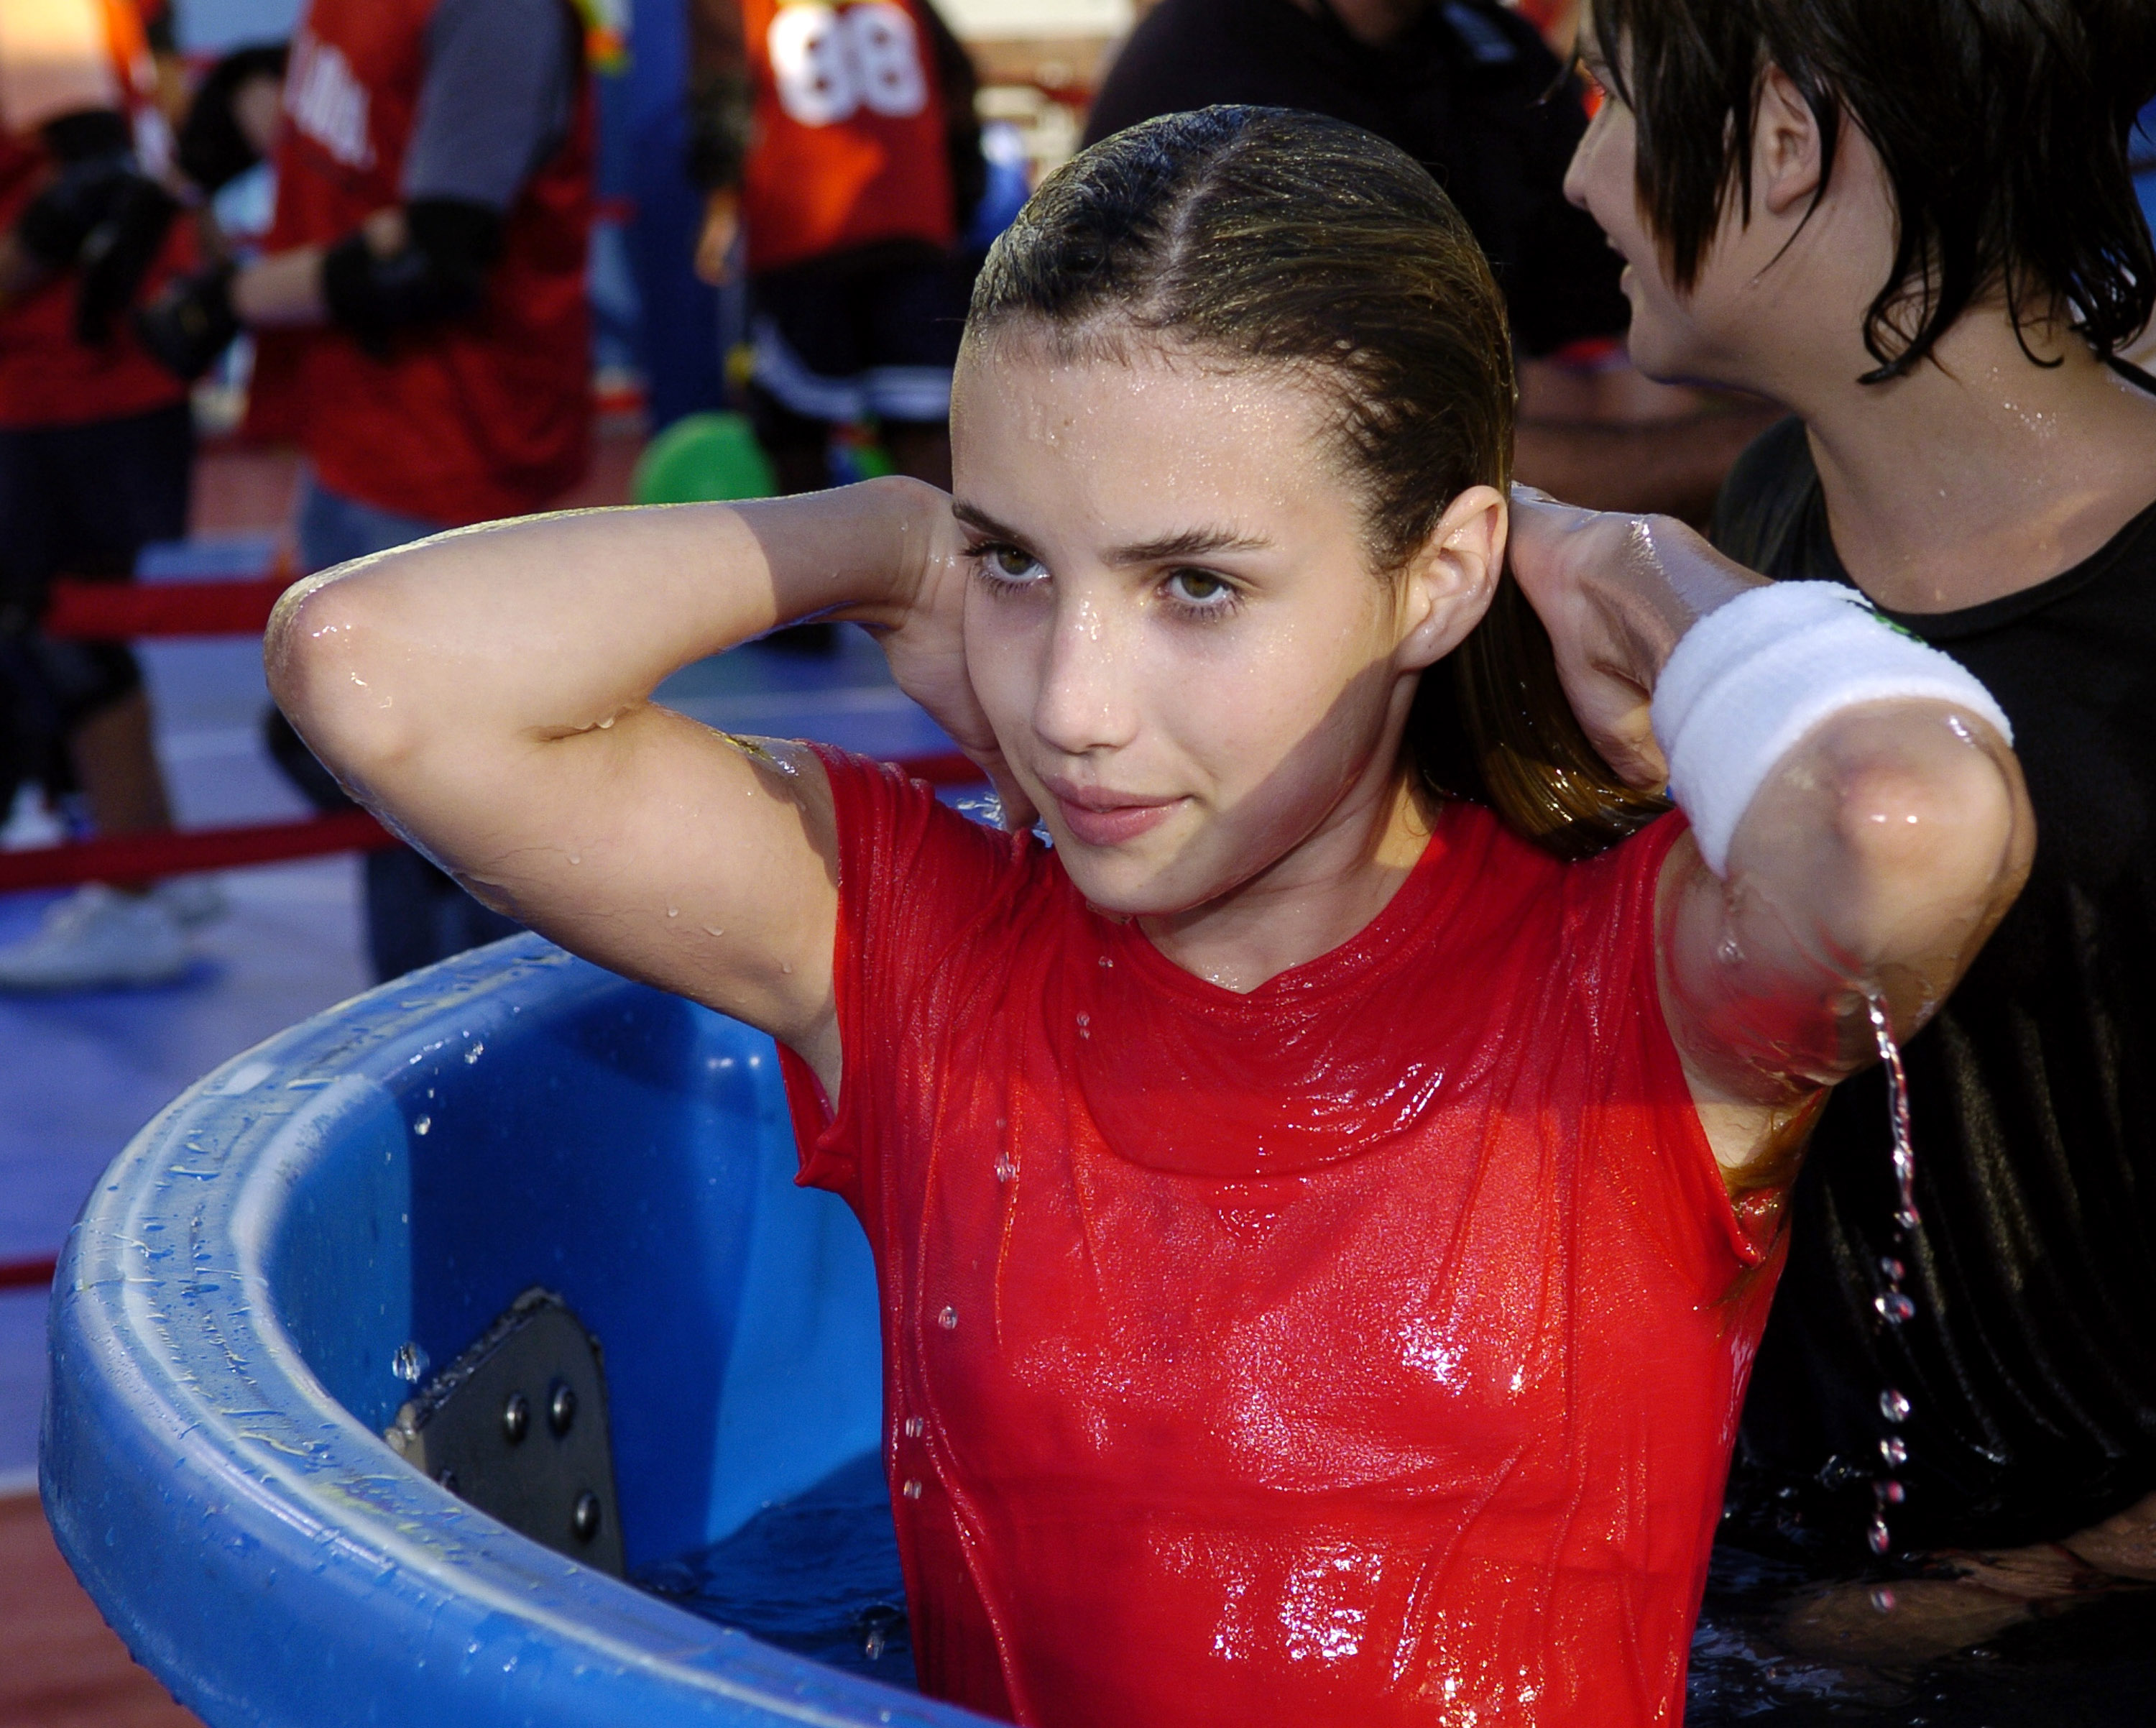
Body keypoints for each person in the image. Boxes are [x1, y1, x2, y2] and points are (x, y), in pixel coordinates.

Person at [268, 109, 2030, 1727]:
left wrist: (1612, 559)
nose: (1074, 702)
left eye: (1194, 585)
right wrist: (885, 542)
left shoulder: (1638, 995)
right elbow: (373, 674)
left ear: (1436, 574)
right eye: (1021, 568)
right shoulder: (910, 951)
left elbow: (1907, 814)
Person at [1565, 0, 2156, 1657]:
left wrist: (2007, 1597)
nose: (1580, 172)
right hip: (1795, 1557)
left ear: (1776, 140)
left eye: (1609, 99)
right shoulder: (1770, 513)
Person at [137, 0, 596, 982]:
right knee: (382, 802)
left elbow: (436, 255)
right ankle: (422, 1096)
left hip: (458, 454)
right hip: (356, 434)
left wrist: (229, 301)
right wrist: (258, 98)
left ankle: (499, 1099)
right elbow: (365, 131)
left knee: (460, 821)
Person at [1081, 0, 1779, 522]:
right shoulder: (1209, 77)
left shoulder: (1491, 50)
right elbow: (1386, 454)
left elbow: (1629, 358)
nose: (1587, 172)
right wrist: (1775, 449)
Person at [0, 0, 217, 992]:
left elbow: (98, 183)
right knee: (64, 632)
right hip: (78, 378)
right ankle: (154, 868)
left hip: (65, 384)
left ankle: (136, 888)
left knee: (63, 632)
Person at [682, 0, 982, 497]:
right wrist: (958, 198)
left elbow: (722, 92)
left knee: (796, 435)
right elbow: (957, 83)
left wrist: (719, 203)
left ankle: (811, 570)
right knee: (924, 434)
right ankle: (945, 568)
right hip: (911, 227)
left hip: (802, 229)